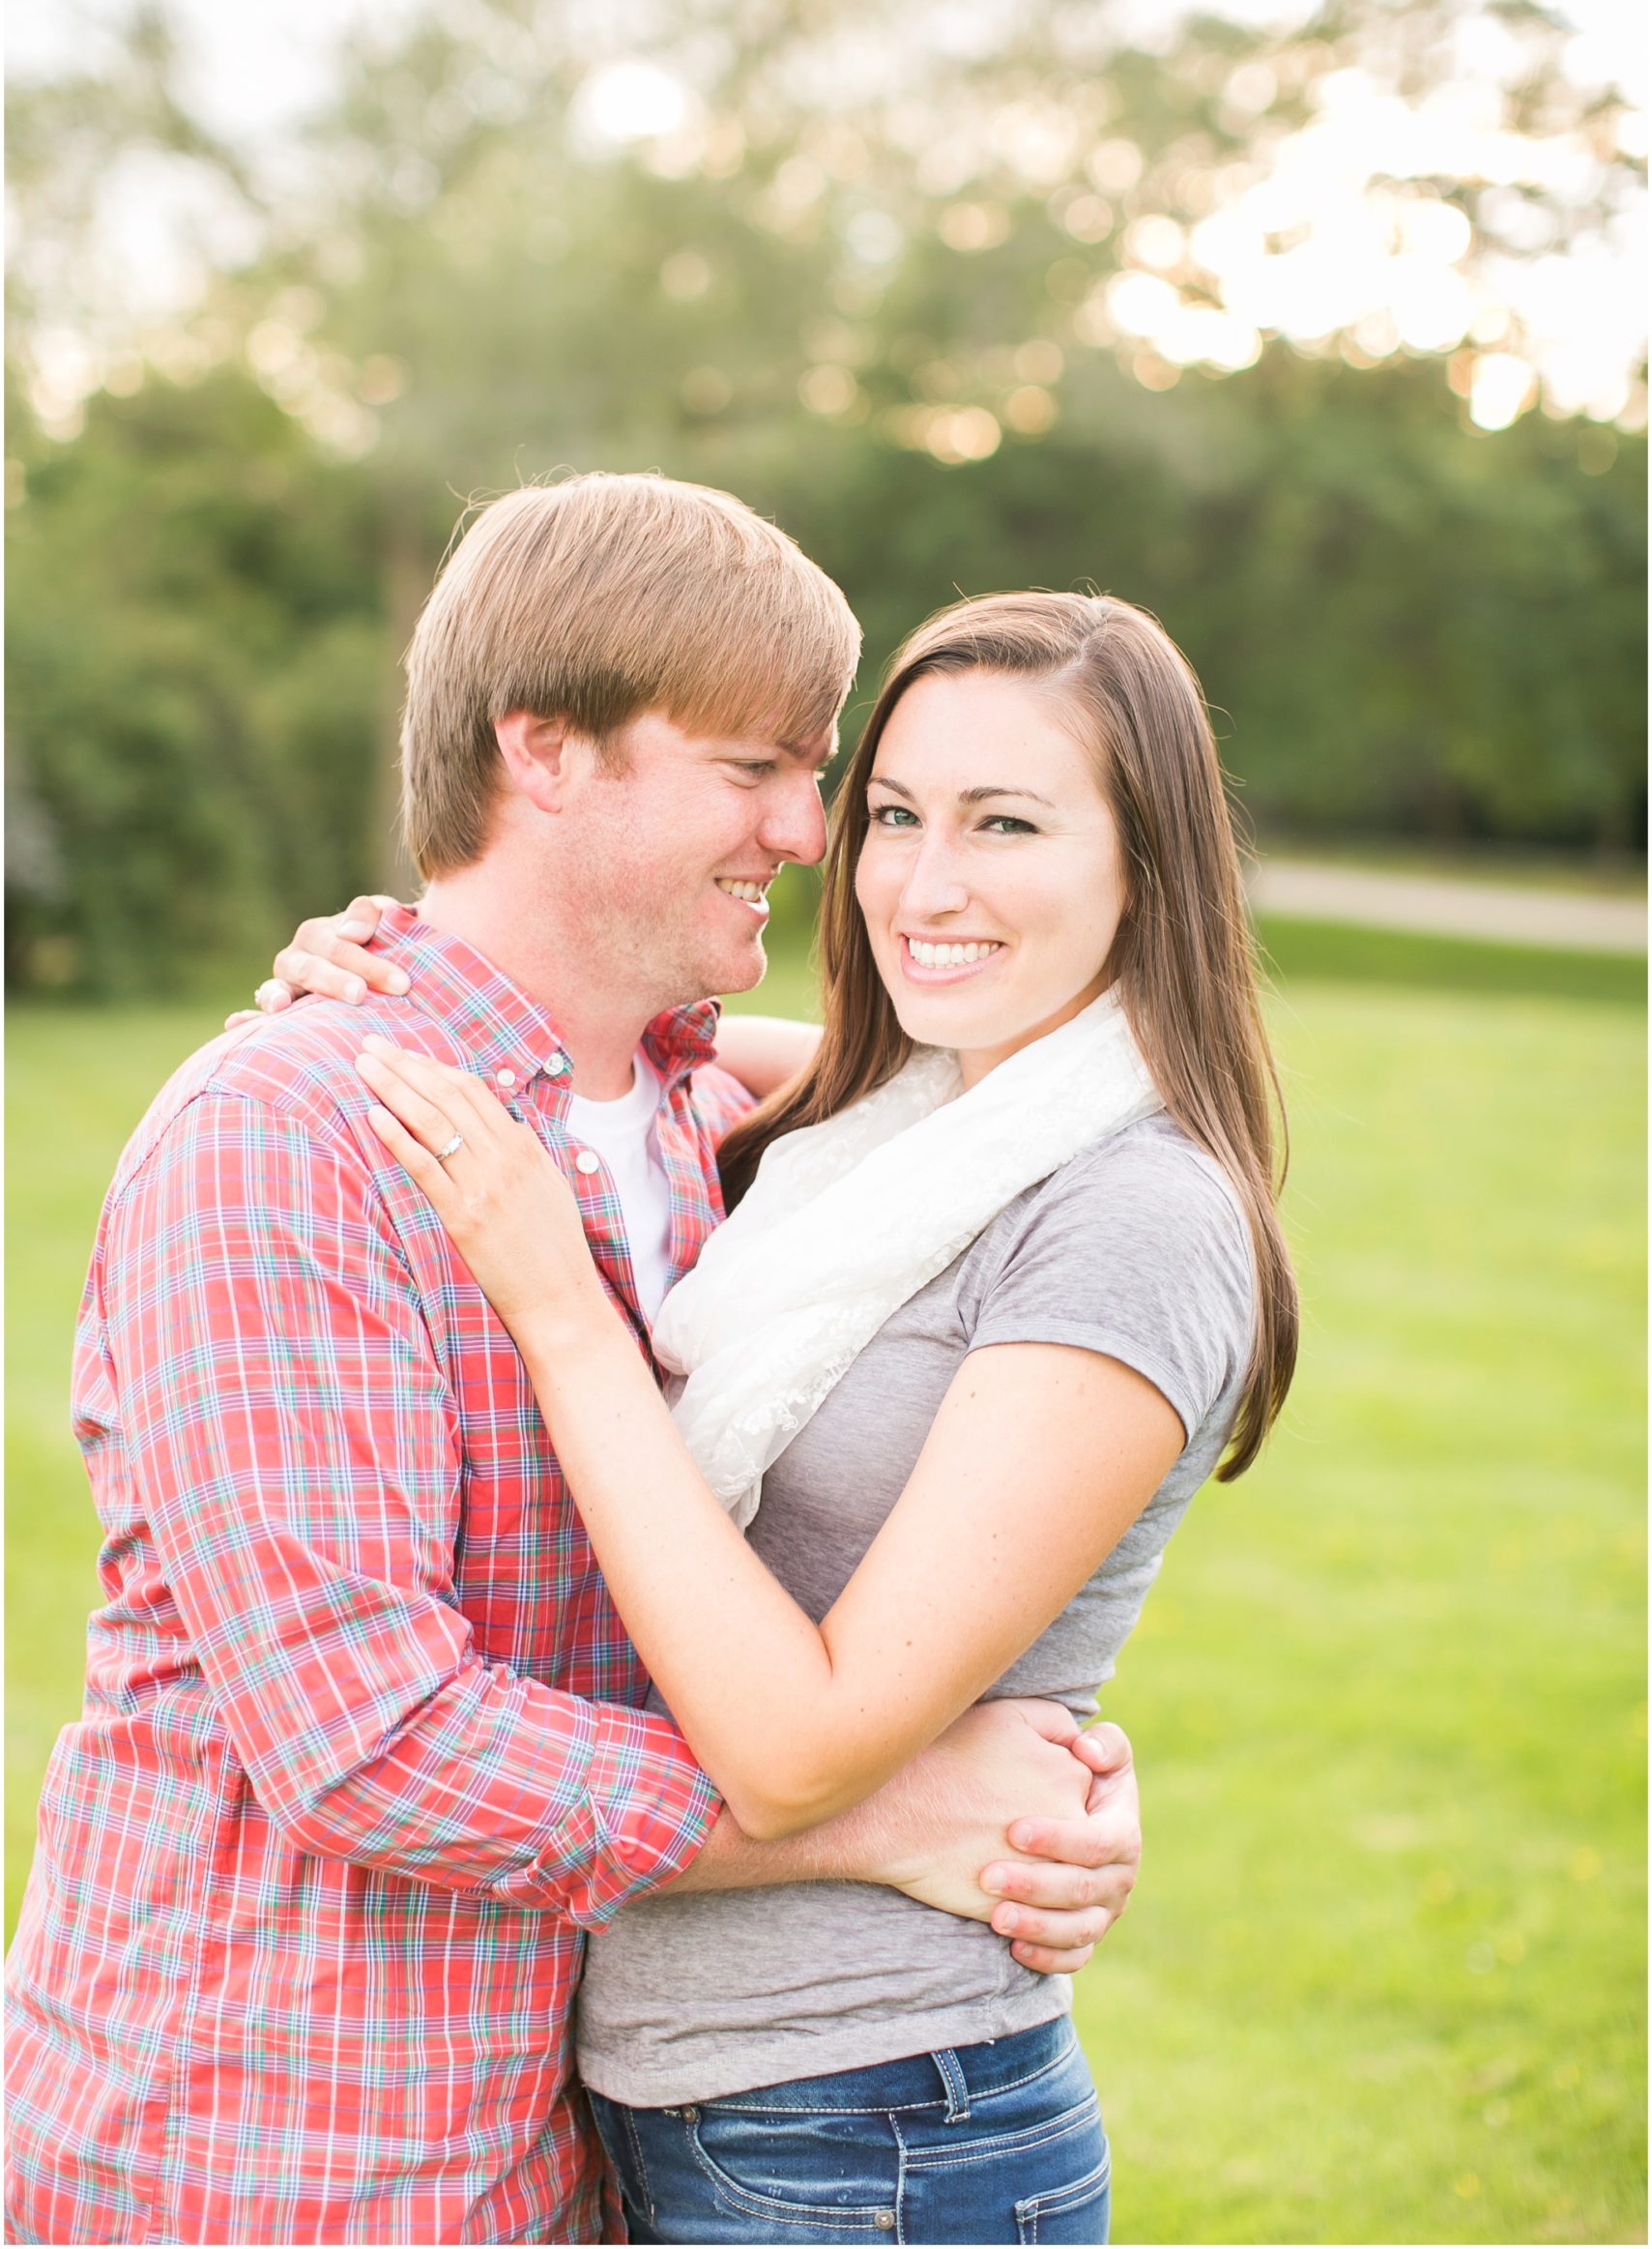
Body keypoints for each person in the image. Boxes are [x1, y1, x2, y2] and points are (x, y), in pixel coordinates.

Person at [3, 480, 1144, 2249]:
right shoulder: (290, 1136)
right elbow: (374, 1743)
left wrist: (1036, 1775)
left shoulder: (709, 1120)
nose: (806, 826)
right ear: (544, 748)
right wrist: (881, 1816)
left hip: (564, 2145)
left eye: (814, 768)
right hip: (265, 2151)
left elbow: (1006, 1060)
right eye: (755, 766)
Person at [252, 584, 1299, 2245]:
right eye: (894, 815)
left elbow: (802, 1742)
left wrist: (560, 1312)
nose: (920, 882)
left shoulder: (1130, 1217)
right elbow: (589, 1040)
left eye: (1005, 822)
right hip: (688, 2097)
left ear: (1146, 860)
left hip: (870, 2122)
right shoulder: (896, 1131)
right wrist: (380, 972)